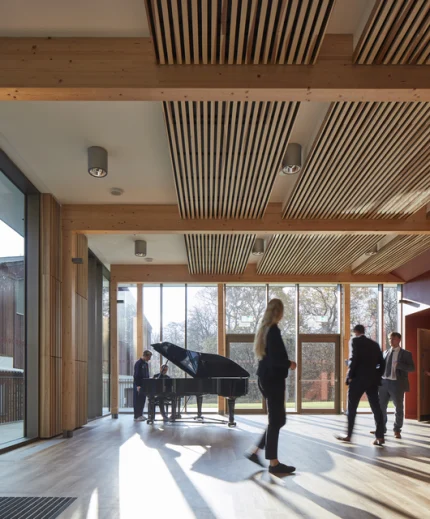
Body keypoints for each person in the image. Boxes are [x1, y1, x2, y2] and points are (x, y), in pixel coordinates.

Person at [245, 298, 297, 475]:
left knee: (278, 420)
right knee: (276, 421)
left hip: (266, 379)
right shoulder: (273, 330)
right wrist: (289, 363)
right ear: (279, 312)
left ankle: (255, 452)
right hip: (273, 380)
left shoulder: (264, 329)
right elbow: (276, 359)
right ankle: (273, 464)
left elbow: (269, 357)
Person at [336, 324, 385, 445]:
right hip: (372, 381)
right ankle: (380, 436)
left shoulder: (355, 341)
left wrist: (349, 376)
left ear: (355, 332)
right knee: (376, 408)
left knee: (352, 408)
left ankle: (349, 435)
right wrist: (376, 375)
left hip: (358, 380)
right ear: (364, 331)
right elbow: (382, 363)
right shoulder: (374, 344)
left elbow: (354, 359)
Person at [370, 332, 415, 439]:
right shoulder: (385, 352)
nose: (390, 341)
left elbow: (412, 368)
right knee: (380, 407)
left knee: (398, 407)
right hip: (383, 383)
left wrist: (399, 365)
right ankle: (381, 429)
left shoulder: (406, 354)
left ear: (399, 340)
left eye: (393, 339)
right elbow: (380, 366)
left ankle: (397, 430)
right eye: (390, 339)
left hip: (397, 384)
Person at [133, 350, 152, 421]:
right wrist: (138, 385)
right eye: (149, 357)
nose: (149, 359)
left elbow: (147, 374)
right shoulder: (138, 363)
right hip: (138, 384)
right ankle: (136, 416)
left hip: (144, 384)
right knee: (137, 400)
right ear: (145, 356)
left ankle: (140, 414)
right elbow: (136, 375)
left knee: (142, 400)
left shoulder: (146, 364)